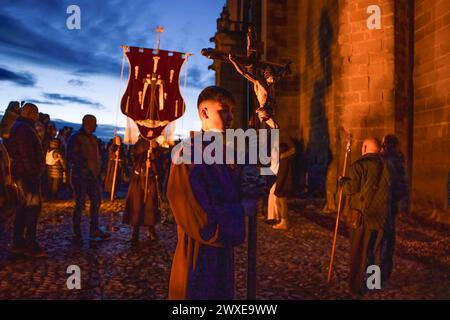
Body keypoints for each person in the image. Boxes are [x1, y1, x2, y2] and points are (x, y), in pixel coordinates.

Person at [167, 86, 269, 300]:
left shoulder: (222, 153)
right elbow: (198, 218)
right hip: (198, 256)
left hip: (221, 255)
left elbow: (255, 177)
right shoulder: (188, 155)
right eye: (224, 110)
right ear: (204, 113)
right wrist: (241, 209)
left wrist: (252, 181)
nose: (231, 117)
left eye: (232, 110)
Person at [340, 138, 400, 294]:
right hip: (383, 217)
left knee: (359, 252)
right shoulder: (390, 166)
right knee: (376, 250)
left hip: (362, 218)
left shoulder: (359, 165)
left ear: (365, 147)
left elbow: (350, 189)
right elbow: (397, 191)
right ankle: (374, 282)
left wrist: (342, 182)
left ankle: (356, 286)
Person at [7, 103, 47, 258]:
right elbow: (26, 155)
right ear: (31, 113)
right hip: (27, 177)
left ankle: (19, 243)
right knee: (32, 209)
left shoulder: (22, 127)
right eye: (36, 113)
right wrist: (34, 173)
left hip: (24, 175)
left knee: (23, 209)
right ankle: (30, 244)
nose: (37, 116)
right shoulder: (24, 129)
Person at [66, 115, 110, 240]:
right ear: (87, 123)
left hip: (92, 176)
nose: (96, 125)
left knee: (96, 201)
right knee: (80, 204)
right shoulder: (75, 138)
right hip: (80, 175)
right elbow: (70, 156)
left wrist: (98, 168)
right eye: (94, 123)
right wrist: (84, 163)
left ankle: (94, 229)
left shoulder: (94, 138)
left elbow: (97, 155)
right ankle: (77, 231)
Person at [380, 134, 408, 283]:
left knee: (379, 244)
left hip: (384, 209)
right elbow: (402, 189)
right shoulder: (397, 161)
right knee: (386, 242)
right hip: (388, 208)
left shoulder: (388, 162)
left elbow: (401, 188)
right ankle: (382, 277)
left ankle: (376, 280)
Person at [123, 137, 161, 243]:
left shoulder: (155, 145)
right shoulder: (139, 144)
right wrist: (146, 147)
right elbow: (134, 155)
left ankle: (151, 230)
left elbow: (159, 160)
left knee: (150, 205)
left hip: (150, 180)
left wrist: (152, 159)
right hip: (138, 179)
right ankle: (135, 233)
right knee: (137, 205)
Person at [268, 142, 295, 230]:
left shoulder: (284, 160)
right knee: (278, 202)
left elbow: (282, 174)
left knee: (282, 202)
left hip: (283, 184)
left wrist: (278, 185)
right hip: (283, 183)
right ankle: (282, 220)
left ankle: (284, 221)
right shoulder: (285, 159)